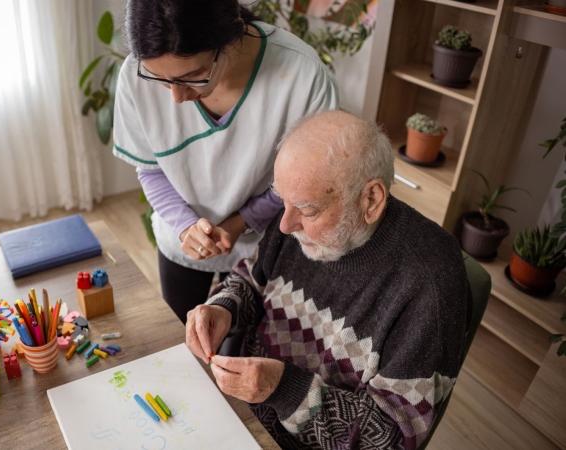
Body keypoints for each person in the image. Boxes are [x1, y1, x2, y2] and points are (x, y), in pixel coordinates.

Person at [186, 110, 471, 449]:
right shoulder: (299, 212)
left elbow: (392, 439)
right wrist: (224, 308)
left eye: (307, 211)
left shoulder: (430, 284)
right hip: (236, 413)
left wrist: (282, 389)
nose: (285, 225)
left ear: (371, 199)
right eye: (283, 202)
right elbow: (252, 277)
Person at [112, 0, 339, 323]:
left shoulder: (302, 76)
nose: (177, 98)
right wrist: (185, 226)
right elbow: (151, 168)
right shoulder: (135, 77)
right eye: (161, 81)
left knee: (248, 344)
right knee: (185, 336)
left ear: (229, 32)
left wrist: (242, 220)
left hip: (265, 244)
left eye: (194, 76)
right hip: (183, 240)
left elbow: (304, 180)